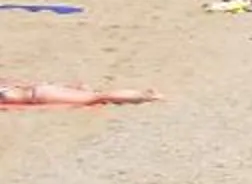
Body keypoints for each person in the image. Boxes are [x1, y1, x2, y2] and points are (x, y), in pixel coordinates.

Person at [2, 81, 161, 107]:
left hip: (38, 95)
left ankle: (146, 96)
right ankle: (143, 95)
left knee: (99, 97)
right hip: (38, 91)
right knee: (96, 95)